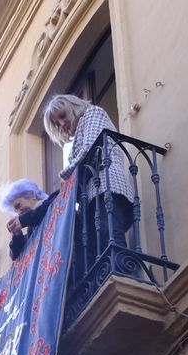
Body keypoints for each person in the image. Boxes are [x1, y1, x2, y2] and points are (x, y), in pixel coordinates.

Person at [43, 94, 136, 267]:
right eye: (57, 123)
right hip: (94, 194)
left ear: (73, 106)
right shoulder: (78, 133)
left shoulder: (93, 114)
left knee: (110, 236)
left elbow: (91, 148)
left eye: (62, 116)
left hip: (109, 185)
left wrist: (65, 177)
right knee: (101, 243)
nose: (62, 124)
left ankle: (124, 271)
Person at [0, 179, 56, 261]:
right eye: (15, 211)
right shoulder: (31, 229)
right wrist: (17, 235)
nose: (18, 212)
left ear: (32, 195)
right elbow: (15, 256)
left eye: (18, 205)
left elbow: (42, 211)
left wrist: (23, 220)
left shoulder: (54, 200)